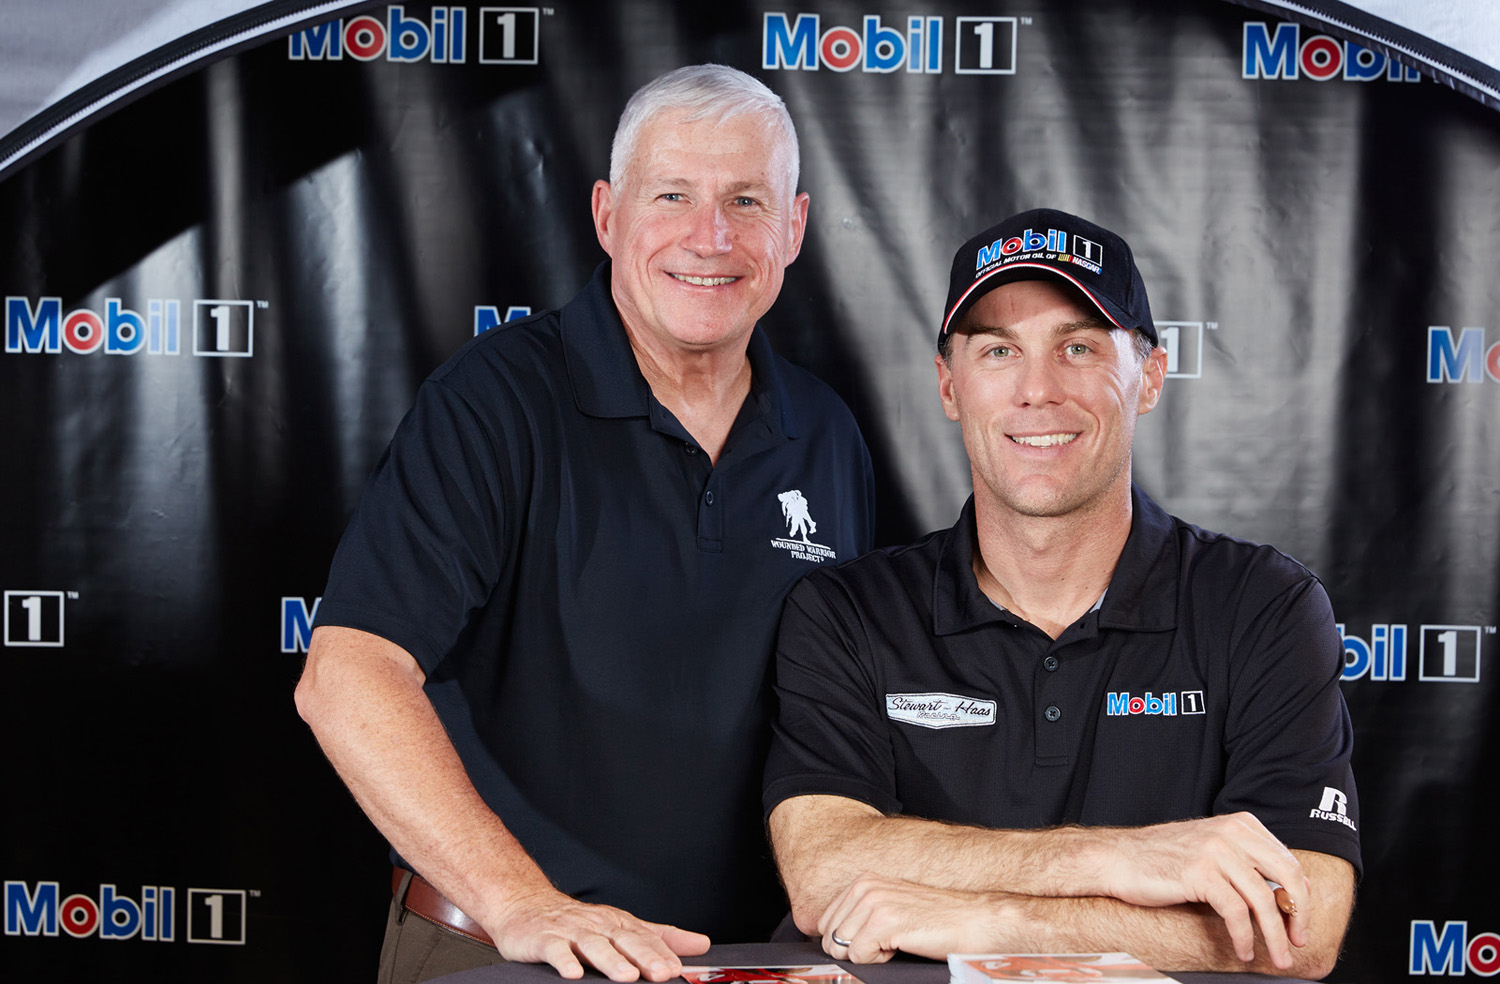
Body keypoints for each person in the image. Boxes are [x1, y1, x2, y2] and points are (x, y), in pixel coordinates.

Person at [294, 64, 876, 984]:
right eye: (672, 194)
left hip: (739, 962)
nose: (709, 237)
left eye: (747, 201)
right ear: (608, 215)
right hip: (507, 952)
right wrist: (525, 903)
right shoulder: (495, 401)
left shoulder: (827, 434)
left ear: (795, 227)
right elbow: (347, 676)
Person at [763, 208, 1359, 979]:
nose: (1037, 390)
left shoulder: (1262, 605)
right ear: (950, 385)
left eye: (1078, 347)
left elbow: (1302, 924)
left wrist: (997, 921)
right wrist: (1120, 859)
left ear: (1148, 376)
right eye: (999, 351)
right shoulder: (847, 612)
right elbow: (822, 869)